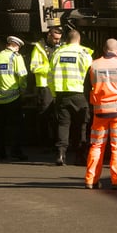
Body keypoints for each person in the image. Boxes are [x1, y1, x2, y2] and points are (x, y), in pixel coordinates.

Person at [84, 38, 117, 190]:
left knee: (96, 145)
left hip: (100, 112)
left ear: (103, 49)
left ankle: (91, 180)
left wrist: (93, 104)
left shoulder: (94, 65)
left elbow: (86, 88)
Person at [49, 28, 93, 166]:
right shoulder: (84, 53)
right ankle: (80, 156)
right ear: (79, 40)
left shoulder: (57, 52)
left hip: (62, 94)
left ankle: (61, 154)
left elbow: (50, 75)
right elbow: (91, 74)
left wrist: (54, 93)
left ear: (66, 40)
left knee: (63, 124)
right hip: (79, 94)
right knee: (81, 126)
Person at [0, 35, 29, 161]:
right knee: (16, 126)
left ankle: (0, 152)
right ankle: (15, 151)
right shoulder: (16, 57)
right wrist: (23, 90)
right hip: (12, 98)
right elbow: (22, 76)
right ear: (16, 47)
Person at [30, 26, 63, 147]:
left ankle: (56, 141)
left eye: (59, 39)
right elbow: (33, 67)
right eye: (55, 39)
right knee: (44, 115)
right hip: (44, 86)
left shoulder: (61, 47)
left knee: (58, 116)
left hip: (58, 85)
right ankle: (44, 143)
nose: (57, 41)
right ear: (49, 35)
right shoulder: (39, 48)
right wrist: (50, 69)